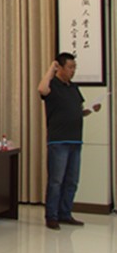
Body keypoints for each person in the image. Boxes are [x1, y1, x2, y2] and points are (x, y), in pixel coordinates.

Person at [38, 53, 102, 230]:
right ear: (59, 67)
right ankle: (51, 216)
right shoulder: (52, 85)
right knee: (56, 181)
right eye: (70, 67)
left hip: (75, 140)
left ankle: (65, 213)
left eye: (75, 67)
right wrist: (51, 69)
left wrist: (91, 109)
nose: (73, 71)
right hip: (58, 141)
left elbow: (79, 111)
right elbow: (41, 89)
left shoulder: (73, 87)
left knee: (72, 180)